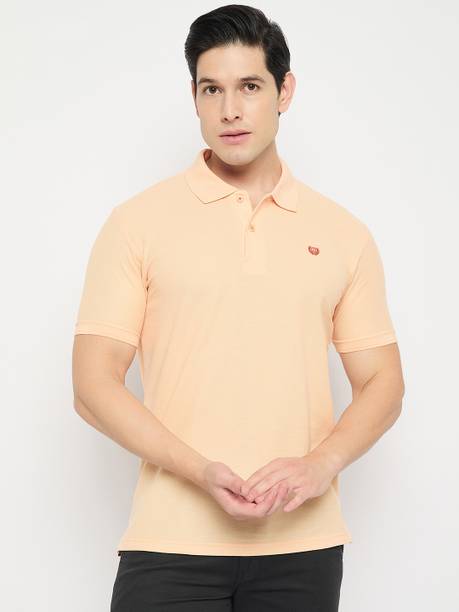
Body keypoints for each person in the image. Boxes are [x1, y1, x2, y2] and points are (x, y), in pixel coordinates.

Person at [72, 4, 405, 611]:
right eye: (212, 89)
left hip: (303, 546)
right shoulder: (136, 224)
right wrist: (200, 470)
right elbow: (93, 385)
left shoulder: (343, 233)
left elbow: (383, 381)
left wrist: (320, 465)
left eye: (250, 86)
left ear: (284, 92)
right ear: (194, 98)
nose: (229, 109)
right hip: (170, 543)